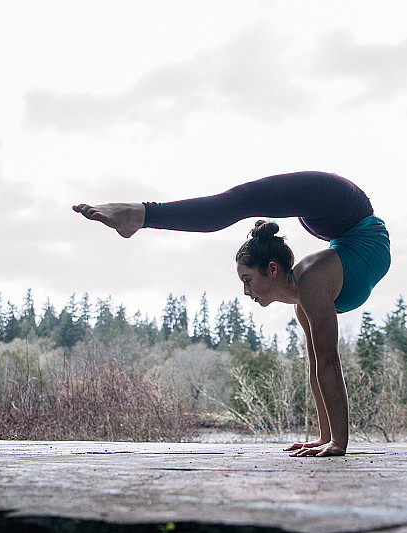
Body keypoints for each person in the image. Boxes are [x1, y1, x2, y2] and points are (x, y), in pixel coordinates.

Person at [73, 171, 391, 456]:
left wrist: (340, 443)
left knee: (238, 202)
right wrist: (326, 438)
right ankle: (138, 215)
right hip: (340, 224)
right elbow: (317, 367)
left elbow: (330, 361)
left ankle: (137, 214)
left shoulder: (312, 282)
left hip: (341, 206)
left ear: (272, 268)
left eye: (247, 280)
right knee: (239, 203)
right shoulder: (303, 297)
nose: (246, 291)